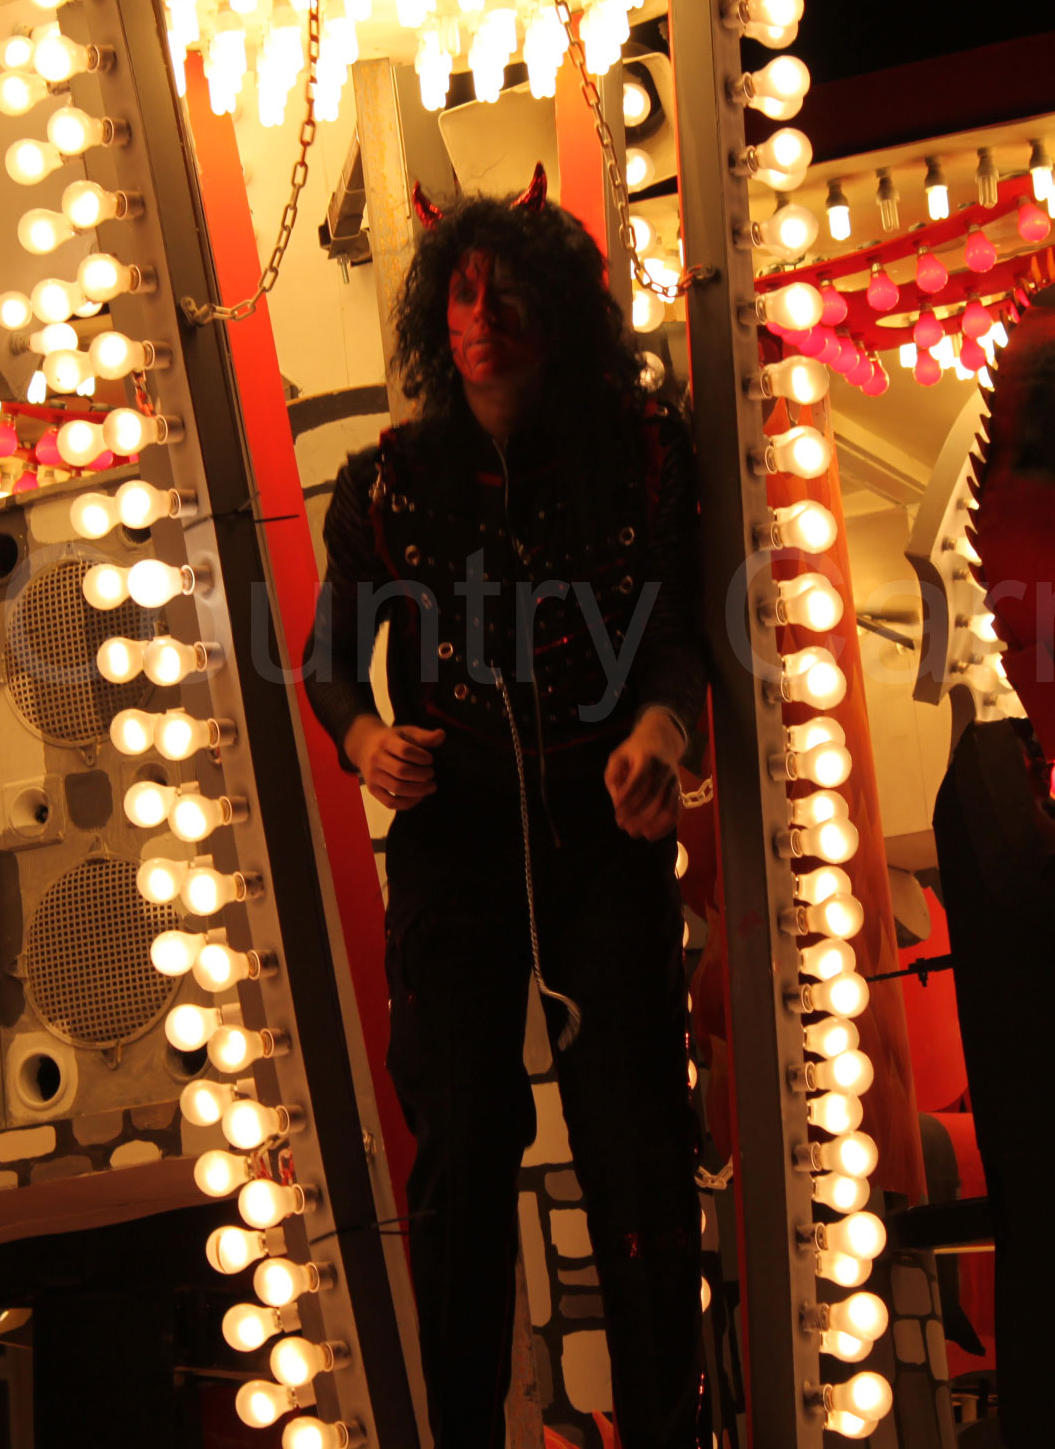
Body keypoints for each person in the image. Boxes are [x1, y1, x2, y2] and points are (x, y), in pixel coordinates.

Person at [303, 169, 709, 1447]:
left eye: (512, 292)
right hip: (455, 834)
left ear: (561, 308)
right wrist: (368, 741)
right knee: (464, 1147)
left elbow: (682, 633)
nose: (485, 317)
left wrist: (660, 731)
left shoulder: (643, 452)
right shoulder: (384, 483)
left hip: (605, 830)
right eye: (466, 292)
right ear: (438, 310)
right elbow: (327, 663)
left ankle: (669, 1429)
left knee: (638, 1144)